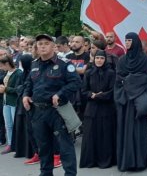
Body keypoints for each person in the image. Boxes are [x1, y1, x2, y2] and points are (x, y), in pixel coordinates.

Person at [22, 34, 81, 176]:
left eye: (46, 43)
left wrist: (60, 94)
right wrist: (25, 95)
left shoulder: (64, 64)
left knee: (65, 147)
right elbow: (29, 83)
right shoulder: (34, 64)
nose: (42, 46)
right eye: (40, 43)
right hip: (38, 112)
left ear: (54, 46)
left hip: (57, 112)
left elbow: (76, 82)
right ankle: (45, 173)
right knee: (43, 147)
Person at [114, 32, 147, 172]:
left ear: (135, 41)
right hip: (126, 101)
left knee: (138, 130)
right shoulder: (122, 60)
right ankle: (126, 160)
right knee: (125, 130)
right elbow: (118, 78)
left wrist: (129, 81)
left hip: (138, 100)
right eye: (126, 40)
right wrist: (128, 82)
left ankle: (140, 161)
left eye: (129, 40)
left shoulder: (145, 60)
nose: (127, 42)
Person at [80, 50, 116, 168]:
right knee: (91, 134)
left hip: (106, 109)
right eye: (97, 58)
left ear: (105, 59)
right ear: (94, 59)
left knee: (105, 135)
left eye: (101, 58)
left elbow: (113, 91)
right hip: (91, 109)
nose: (99, 60)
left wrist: (100, 96)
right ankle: (91, 160)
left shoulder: (111, 73)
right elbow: (84, 90)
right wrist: (92, 95)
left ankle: (105, 160)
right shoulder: (89, 73)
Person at [0, 55, 22, 154]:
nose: (1, 68)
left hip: (14, 102)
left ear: (7, 64)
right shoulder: (7, 72)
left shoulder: (18, 73)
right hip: (6, 102)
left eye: (1, 65)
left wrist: (6, 89)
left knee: (15, 124)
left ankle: (18, 145)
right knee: (8, 125)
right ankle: (10, 144)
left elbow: (19, 89)